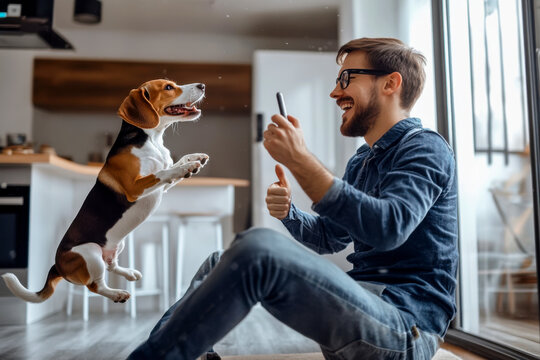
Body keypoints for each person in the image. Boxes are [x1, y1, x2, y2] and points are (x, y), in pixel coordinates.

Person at [128, 37, 458, 360]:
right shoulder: (362, 160)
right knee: (221, 261)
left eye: (346, 78)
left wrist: (301, 160)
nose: (334, 92)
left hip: (406, 330)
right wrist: (290, 213)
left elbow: (389, 228)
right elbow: (331, 237)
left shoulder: (424, 147)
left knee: (257, 249)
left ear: (390, 84)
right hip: (364, 310)